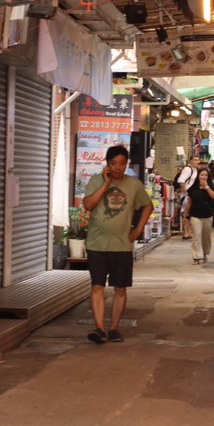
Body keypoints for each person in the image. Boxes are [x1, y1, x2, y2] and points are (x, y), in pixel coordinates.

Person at [83, 145, 154, 344]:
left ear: (127, 164)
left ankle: (113, 328)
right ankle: (99, 328)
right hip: (97, 244)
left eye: (122, 163)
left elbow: (148, 205)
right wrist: (105, 184)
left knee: (120, 288)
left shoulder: (134, 184)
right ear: (107, 163)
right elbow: (88, 205)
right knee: (97, 286)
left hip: (122, 245)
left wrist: (138, 228)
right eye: (114, 163)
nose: (118, 168)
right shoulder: (96, 181)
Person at [184, 169, 214, 264]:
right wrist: (185, 216)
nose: (203, 177)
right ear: (198, 176)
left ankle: (204, 254)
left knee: (206, 237)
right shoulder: (193, 189)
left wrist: (206, 187)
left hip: (207, 215)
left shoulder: (211, 187)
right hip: (195, 215)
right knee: (196, 235)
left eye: (205, 175)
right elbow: (189, 203)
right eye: (202, 175)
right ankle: (196, 256)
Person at [177, 155, 200, 240]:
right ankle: (185, 232)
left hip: (191, 195)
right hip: (186, 196)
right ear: (190, 161)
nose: (196, 162)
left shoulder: (195, 170)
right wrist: (186, 192)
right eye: (194, 160)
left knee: (190, 214)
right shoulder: (187, 169)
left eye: (198, 160)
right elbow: (181, 180)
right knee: (185, 214)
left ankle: (188, 231)